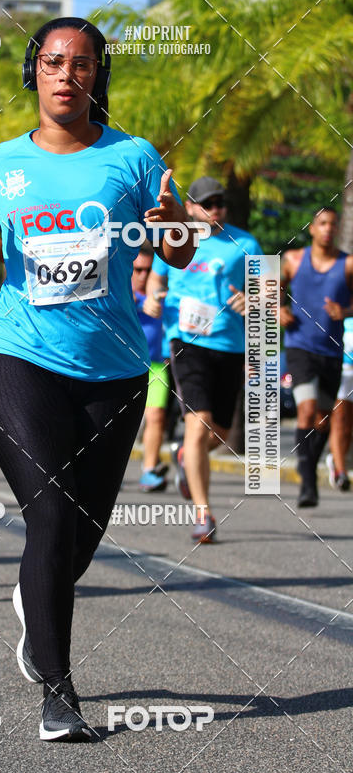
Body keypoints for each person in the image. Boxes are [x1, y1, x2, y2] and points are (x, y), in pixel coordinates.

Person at [0, 16, 196, 742]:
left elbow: (176, 252)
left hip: (114, 368)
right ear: (34, 72)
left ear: (96, 76)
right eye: (53, 62)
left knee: (79, 536)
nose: (66, 75)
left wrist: (177, 223)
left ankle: (36, 597)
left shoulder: (134, 157)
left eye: (81, 64)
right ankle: (58, 693)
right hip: (15, 352)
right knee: (50, 515)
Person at [149, 176, 262, 543]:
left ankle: (185, 455)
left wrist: (253, 301)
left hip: (230, 344)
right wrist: (153, 299)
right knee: (199, 425)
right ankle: (203, 513)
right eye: (207, 204)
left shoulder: (246, 244)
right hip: (186, 341)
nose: (216, 210)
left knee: (220, 434)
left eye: (220, 203)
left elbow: (268, 291)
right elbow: (155, 281)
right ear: (191, 207)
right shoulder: (176, 237)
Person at [281, 207, 353, 507]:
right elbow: (271, 287)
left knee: (323, 419)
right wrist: (278, 308)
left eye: (333, 224)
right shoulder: (294, 259)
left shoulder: (348, 264)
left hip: (332, 351)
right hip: (299, 347)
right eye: (322, 223)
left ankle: (309, 467)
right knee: (307, 409)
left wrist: (345, 311)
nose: (328, 229)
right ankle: (308, 483)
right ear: (312, 228)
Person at [132, 242, 170, 491]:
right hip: (122, 365)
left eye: (148, 270)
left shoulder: (161, 297)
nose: (143, 276)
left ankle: (148, 471)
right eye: (138, 270)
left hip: (156, 366)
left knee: (156, 417)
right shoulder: (119, 295)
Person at [326, 316, 353, 491]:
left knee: (349, 426)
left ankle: (337, 459)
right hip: (344, 370)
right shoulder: (341, 308)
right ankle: (340, 471)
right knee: (341, 421)